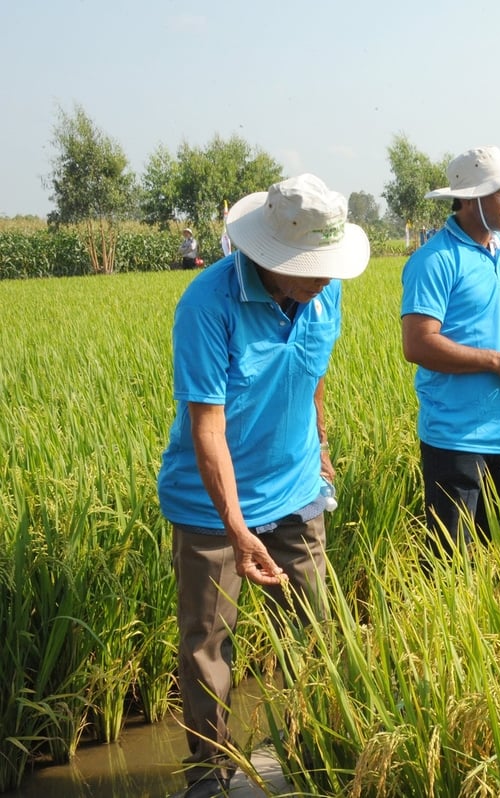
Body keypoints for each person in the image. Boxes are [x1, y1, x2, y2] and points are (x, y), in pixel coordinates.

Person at [157, 174, 370, 798]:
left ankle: (314, 753)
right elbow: (207, 426)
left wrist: (321, 444)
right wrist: (236, 526)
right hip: (210, 506)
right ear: (271, 257)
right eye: (312, 268)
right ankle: (212, 775)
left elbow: (313, 371)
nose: (325, 280)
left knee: (313, 629)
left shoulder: (323, 295)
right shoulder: (208, 304)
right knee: (207, 644)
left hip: (297, 492)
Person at [401, 146, 500, 563]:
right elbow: (417, 343)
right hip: (457, 439)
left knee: (499, 559)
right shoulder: (435, 260)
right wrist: (495, 361)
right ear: (470, 199)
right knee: (448, 567)